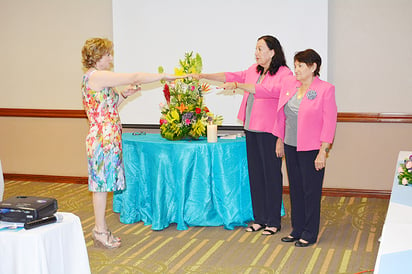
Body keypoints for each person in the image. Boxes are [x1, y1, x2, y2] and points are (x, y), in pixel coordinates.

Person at [81, 37, 181, 248]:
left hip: (108, 135)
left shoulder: (98, 79)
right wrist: (163, 75)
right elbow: (134, 76)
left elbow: (109, 106)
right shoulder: (97, 76)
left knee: (103, 184)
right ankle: (99, 230)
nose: (111, 58)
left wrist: (124, 94)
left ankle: (101, 228)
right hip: (102, 138)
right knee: (100, 186)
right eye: (108, 54)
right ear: (98, 56)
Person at [192, 35, 292, 235]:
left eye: (260, 49)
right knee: (255, 175)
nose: (256, 53)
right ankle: (260, 218)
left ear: (273, 52)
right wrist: (204, 76)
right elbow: (230, 76)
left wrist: (239, 87)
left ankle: (273, 221)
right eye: (255, 49)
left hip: (270, 132)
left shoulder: (284, 73)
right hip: (252, 130)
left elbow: (268, 91)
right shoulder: (253, 70)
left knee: (271, 176)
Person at [274, 49, 337, 247]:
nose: (296, 69)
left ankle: (310, 233)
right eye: (295, 65)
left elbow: (329, 122)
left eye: (300, 65)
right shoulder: (292, 86)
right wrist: (280, 140)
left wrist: (323, 151)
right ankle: (297, 229)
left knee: (311, 191)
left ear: (313, 67)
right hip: (291, 146)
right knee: (296, 190)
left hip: (312, 149)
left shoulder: (325, 89)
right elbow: (283, 116)